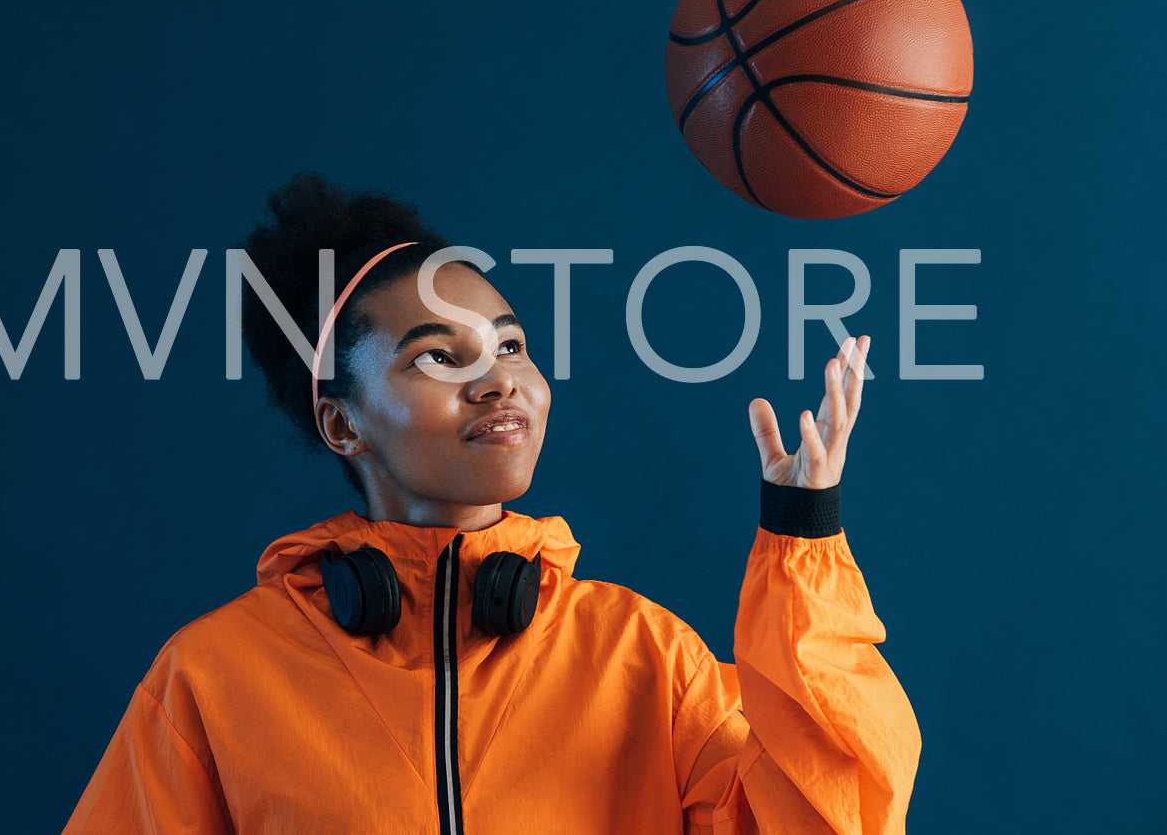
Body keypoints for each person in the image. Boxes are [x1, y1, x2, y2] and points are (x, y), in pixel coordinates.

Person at [61, 173, 919, 834]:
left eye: (509, 344)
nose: (498, 378)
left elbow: (829, 813)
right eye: (437, 356)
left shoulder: (644, 657)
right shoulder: (214, 678)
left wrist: (803, 538)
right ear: (342, 422)